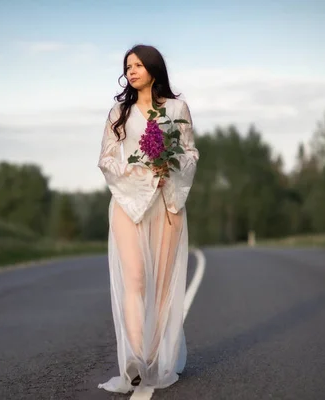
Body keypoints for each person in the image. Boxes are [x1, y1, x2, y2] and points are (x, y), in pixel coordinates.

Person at [97, 44, 199, 393]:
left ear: (154, 68)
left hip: (166, 204)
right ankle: (135, 359)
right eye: (128, 65)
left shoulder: (177, 108)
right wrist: (139, 167)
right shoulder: (118, 113)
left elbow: (190, 153)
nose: (132, 70)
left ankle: (154, 360)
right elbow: (107, 160)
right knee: (136, 279)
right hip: (128, 204)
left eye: (139, 64)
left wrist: (168, 166)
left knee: (162, 287)